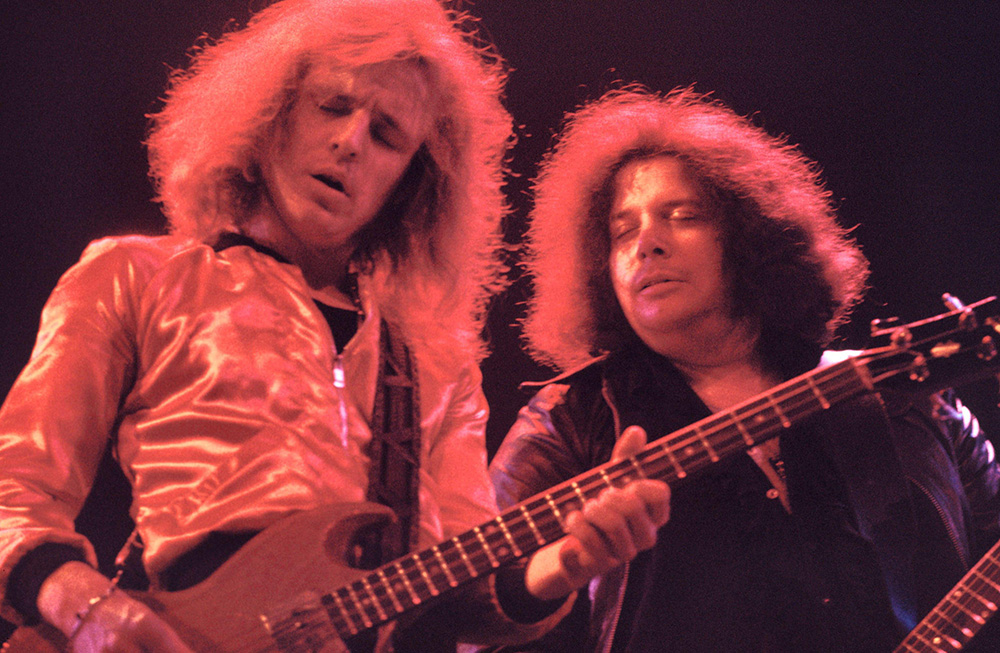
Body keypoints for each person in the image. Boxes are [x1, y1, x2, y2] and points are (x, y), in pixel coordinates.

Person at [0, 2, 668, 651]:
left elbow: (467, 593)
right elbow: (14, 489)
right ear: (271, 114)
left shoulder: (435, 361)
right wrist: (83, 604)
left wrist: (568, 560)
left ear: (410, 182)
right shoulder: (138, 276)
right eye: (331, 105)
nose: (350, 142)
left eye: (386, 135)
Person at [488, 87, 1000, 651]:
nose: (646, 245)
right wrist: (565, 561)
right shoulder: (573, 418)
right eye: (622, 231)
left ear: (751, 237)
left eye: (681, 216)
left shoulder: (901, 394)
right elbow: (471, 607)